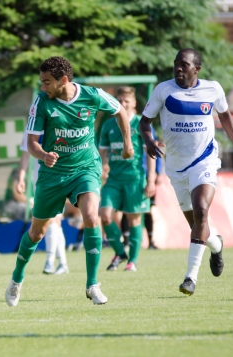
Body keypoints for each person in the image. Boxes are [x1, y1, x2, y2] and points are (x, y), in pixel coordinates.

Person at [5, 56, 134, 306]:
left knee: (91, 217)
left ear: (63, 80)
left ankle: (92, 285)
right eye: (41, 82)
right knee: (37, 232)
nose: (43, 87)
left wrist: (128, 144)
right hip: (52, 174)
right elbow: (31, 142)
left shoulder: (92, 95)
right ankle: (16, 280)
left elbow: (119, 110)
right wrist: (43, 155)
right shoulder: (41, 102)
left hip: (85, 168)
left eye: (47, 82)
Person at [139, 48, 233, 296]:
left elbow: (225, 116)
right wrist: (149, 141)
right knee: (198, 225)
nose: (178, 68)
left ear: (196, 69)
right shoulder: (163, 90)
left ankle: (190, 278)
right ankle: (216, 244)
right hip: (175, 166)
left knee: (201, 208)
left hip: (205, 160)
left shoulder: (213, 89)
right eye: (176, 64)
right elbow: (144, 121)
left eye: (184, 65)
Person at [99, 86, 156, 272]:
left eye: (126, 101)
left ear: (134, 103)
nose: (123, 104)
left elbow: (151, 152)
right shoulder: (108, 125)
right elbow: (102, 154)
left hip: (135, 179)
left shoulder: (141, 124)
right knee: (105, 216)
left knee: (134, 220)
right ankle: (119, 252)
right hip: (113, 180)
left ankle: (132, 261)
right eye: (120, 101)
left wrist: (151, 180)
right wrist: (101, 170)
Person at [16, 132, 69, 275]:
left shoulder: (59, 117)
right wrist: (21, 178)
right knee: (54, 221)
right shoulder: (32, 125)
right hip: (39, 181)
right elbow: (26, 154)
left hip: (59, 177)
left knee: (53, 219)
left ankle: (50, 262)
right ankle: (62, 263)